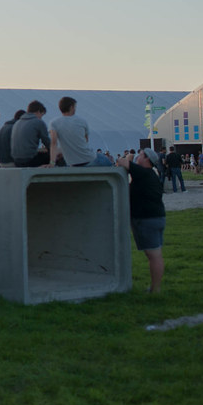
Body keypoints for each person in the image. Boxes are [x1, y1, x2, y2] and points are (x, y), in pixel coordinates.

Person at [116, 148, 165, 293]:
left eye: (141, 155)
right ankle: (155, 288)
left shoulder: (143, 172)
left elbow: (121, 161)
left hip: (147, 219)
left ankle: (155, 289)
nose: (138, 157)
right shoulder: (150, 174)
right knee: (156, 254)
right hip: (156, 217)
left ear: (147, 159)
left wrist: (129, 156)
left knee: (153, 255)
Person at [48, 97, 113, 167]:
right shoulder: (82, 121)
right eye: (75, 107)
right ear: (71, 107)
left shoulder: (54, 123)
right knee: (108, 162)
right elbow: (85, 141)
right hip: (91, 159)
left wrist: (52, 163)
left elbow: (54, 144)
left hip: (73, 163)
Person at [10, 100, 51, 167]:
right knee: (57, 156)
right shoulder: (38, 122)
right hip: (30, 160)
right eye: (41, 115)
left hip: (16, 161)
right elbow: (48, 143)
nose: (41, 118)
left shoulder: (17, 123)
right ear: (38, 111)